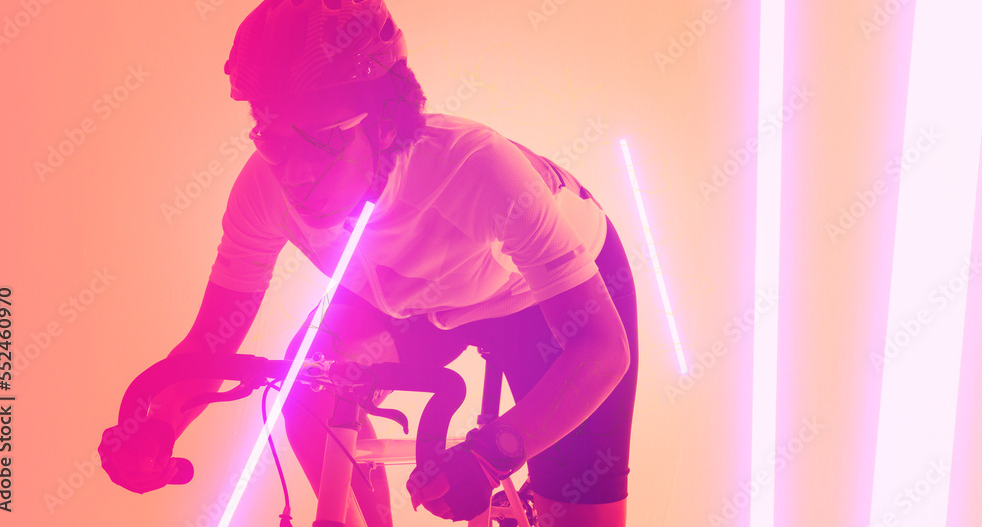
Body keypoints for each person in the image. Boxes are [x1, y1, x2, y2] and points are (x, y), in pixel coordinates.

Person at [99, 1, 639, 526]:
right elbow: (211, 345)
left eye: (318, 140)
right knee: (309, 394)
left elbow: (602, 349)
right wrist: (158, 426)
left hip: (537, 303)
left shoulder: (476, 168)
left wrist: (493, 453)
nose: (293, 173)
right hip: (408, 301)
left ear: (386, 125)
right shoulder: (262, 192)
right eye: (271, 138)